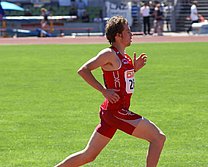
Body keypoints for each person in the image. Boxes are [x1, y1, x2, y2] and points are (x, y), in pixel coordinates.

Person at [54, 15, 166, 167]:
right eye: (127, 31)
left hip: (112, 112)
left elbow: (121, 79)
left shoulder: (124, 56)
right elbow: (83, 70)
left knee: (88, 155)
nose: (131, 34)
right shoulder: (109, 54)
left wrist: (134, 69)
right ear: (118, 36)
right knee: (158, 138)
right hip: (116, 112)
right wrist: (103, 90)